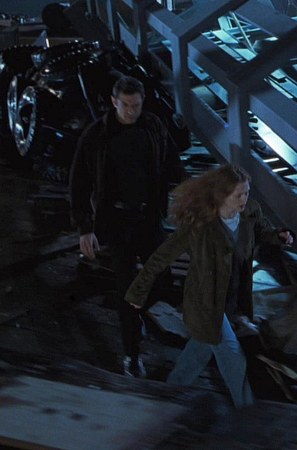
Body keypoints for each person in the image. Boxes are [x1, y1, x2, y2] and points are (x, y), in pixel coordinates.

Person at [124, 164, 294, 409]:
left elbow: (262, 231)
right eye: (238, 195)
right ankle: (248, 413)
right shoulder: (200, 226)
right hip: (205, 303)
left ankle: (168, 393)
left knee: (199, 350)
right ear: (222, 195)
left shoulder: (250, 212)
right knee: (233, 358)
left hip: (232, 300)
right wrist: (138, 292)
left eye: (246, 193)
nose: (244, 199)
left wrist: (279, 236)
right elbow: (162, 257)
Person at [69, 75, 186, 377]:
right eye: (126, 105)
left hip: (148, 218)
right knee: (126, 288)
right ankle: (132, 355)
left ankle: (142, 318)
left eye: (136, 105)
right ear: (114, 102)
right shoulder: (97, 135)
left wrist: (187, 196)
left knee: (163, 280)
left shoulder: (153, 126)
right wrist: (85, 228)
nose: (132, 111)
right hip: (117, 221)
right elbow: (79, 182)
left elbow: (173, 163)